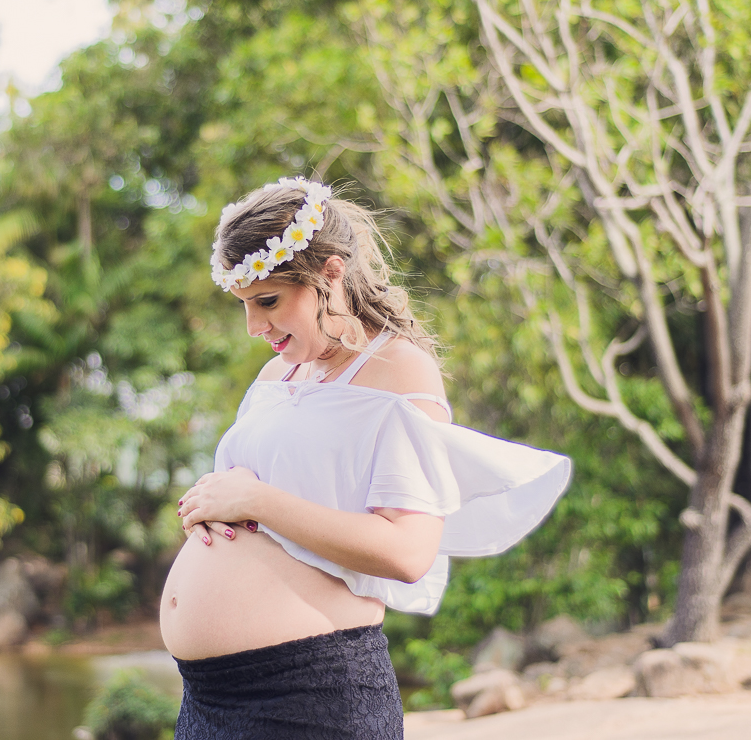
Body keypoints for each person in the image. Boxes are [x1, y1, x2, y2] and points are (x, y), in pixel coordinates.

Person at [160, 177, 571, 739]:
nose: (255, 327)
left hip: (307, 695)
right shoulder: (277, 375)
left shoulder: (397, 370)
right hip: (209, 699)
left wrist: (256, 499)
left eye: (269, 301)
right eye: (243, 306)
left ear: (330, 273)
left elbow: (407, 551)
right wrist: (209, 503)